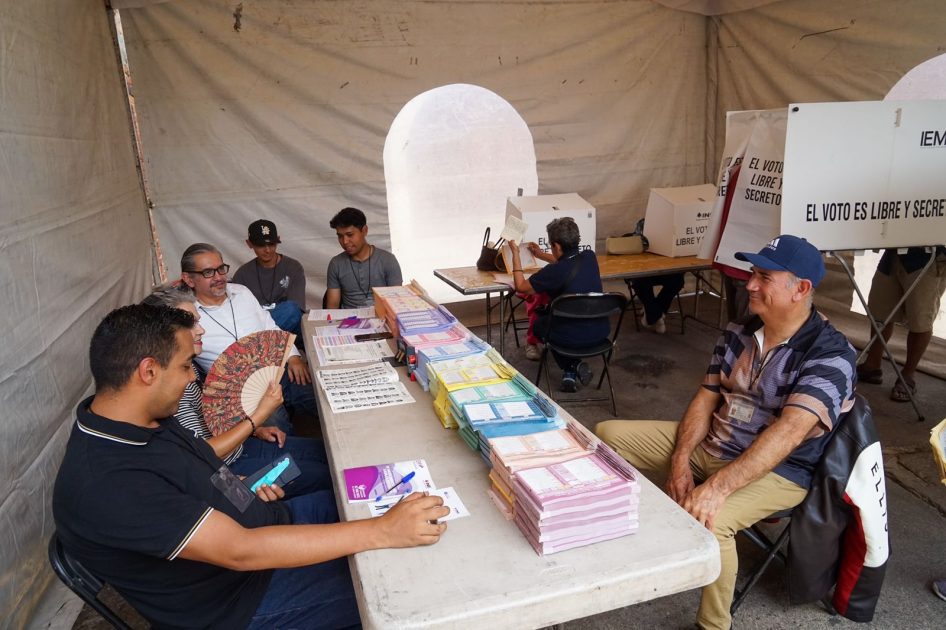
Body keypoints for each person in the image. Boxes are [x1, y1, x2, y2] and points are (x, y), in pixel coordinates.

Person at [52, 304, 449, 629]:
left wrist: (240, 484)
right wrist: (381, 531)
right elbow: (241, 552)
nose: (193, 377)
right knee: (407, 583)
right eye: (187, 366)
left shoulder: (142, 420)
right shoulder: (107, 482)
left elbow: (195, 470)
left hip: (265, 520)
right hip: (241, 598)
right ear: (148, 371)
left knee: (371, 498)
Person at [596, 234, 856, 630]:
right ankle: (623, 539)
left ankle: (714, 625)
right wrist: (681, 460)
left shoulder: (830, 353)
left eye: (764, 277)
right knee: (607, 436)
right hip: (718, 443)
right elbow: (706, 395)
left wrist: (716, 488)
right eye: (752, 273)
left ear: (801, 289)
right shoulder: (741, 329)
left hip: (780, 470)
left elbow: (789, 433)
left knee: (712, 524)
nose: (750, 284)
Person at [143, 285, 332, 498]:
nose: (201, 329)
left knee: (327, 453)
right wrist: (257, 417)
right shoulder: (169, 384)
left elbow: (210, 420)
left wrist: (253, 430)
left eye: (197, 320)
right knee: (329, 475)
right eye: (191, 323)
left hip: (241, 446)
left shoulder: (189, 364)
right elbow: (201, 454)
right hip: (229, 472)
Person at [179, 242, 317, 429]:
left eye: (221, 269)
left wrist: (293, 357)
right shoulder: (186, 316)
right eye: (208, 272)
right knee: (278, 430)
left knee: (320, 399)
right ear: (188, 279)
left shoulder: (241, 292)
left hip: (278, 369)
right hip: (245, 394)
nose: (219, 277)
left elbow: (270, 326)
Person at [508, 217, 608, 393]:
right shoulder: (590, 257)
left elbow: (521, 286)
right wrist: (540, 255)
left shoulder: (553, 272)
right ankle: (570, 369)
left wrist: (515, 254)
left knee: (540, 325)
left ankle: (573, 365)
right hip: (600, 333)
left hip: (571, 337)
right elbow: (567, 263)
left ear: (556, 246)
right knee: (555, 322)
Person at [857, 246, 946, 402]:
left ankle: (908, 375)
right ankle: (872, 365)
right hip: (893, 252)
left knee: (920, 320)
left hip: (930, 255)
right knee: (880, 312)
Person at [232, 219, 307, 337]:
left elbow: (296, 311)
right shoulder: (242, 274)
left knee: (291, 309)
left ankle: (259, 342)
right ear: (249, 243)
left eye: (271, 244)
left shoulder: (293, 267)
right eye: (261, 245)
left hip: (287, 329)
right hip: (254, 327)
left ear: (278, 240)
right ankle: (261, 342)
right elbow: (238, 314)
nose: (267, 250)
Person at [326, 207, 403, 308]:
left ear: (365, 231)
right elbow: (332, 307)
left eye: (350, 235)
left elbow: (397, 304)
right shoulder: (336, 264)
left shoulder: (388, 260)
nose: (345, 241)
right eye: (340, 236)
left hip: (382, 319)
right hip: (349, 321)